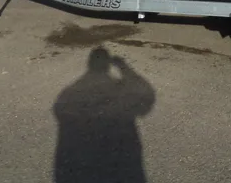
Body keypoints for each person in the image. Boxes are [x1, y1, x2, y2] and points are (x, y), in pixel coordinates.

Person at [53, 46, 155, 183]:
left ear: (89, 65)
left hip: (80, 168)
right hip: (120, 166)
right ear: (108, 66)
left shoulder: (69, 94)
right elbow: (147, 97)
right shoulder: (121, 91)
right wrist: (124, 67)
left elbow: (60, 111)